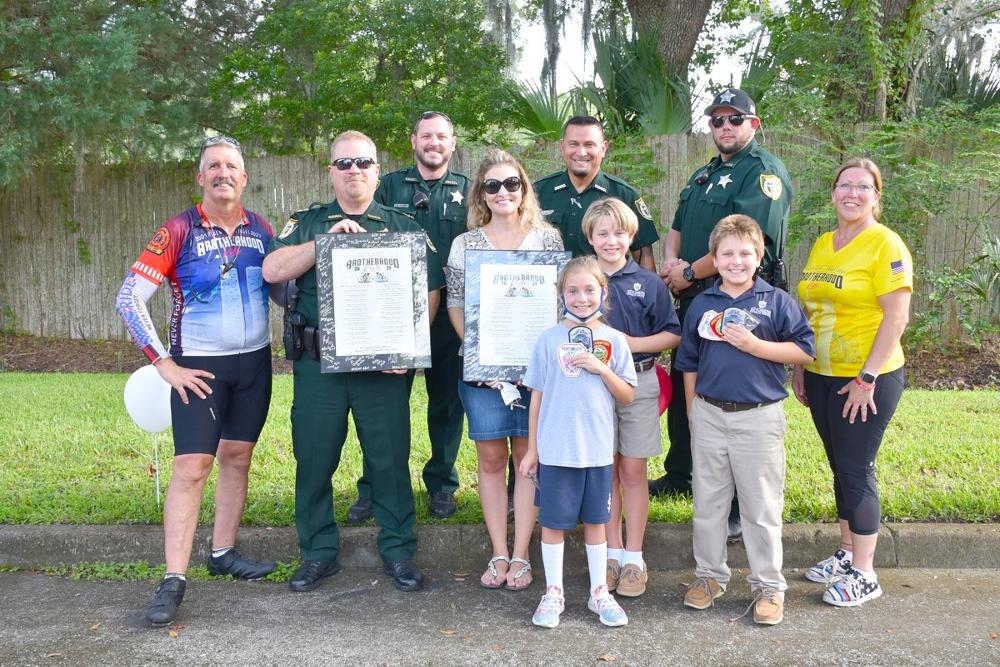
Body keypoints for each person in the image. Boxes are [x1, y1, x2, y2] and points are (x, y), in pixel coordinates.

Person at [261, 130, 444, 594]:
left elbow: (430, 289)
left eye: (363, 162)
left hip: (381, 369)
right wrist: (324, 243)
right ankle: (318, 553)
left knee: (388, 461)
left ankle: (399, 551)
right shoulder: (308, 222)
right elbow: (272, 270)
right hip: (319, 367)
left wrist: (409, 348)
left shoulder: (402, 225)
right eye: (344, 164)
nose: (354, 171)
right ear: (331, 172)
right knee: (315, 459)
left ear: (377, 170)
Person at [115, 135, 276, 626]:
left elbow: (284, 289)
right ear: (200, 177)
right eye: (214, 166)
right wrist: (163, 363)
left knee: (237, 456)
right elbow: (129, 297)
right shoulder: (179, 229)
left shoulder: (262, 229)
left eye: (232, 166)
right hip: (198, 369)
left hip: (254, 364)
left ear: (244, 178)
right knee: (190, 467)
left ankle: (223, 552)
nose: (223, 173)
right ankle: (173, 578)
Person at [655, 88, 793, 542]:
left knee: (731, 395)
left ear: (754, 125)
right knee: (686, 383)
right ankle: (682, 474)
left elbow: (750, 245)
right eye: (717, 120)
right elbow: (676, 227)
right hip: (697, 299)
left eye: (735, 119)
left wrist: (690, 270)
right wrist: (674, 267)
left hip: (741, 301)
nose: (725, 127)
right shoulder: (704, 174)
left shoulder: (762, 174)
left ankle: (736, 507)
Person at [674, 215, 814, 626]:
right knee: (708, 503)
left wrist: (756, 346)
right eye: (727, 254)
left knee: (760, 505)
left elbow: (804, 351)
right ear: (714, 259)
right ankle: (709, 576)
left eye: (745, 254)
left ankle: (768, 585)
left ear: (759, 257)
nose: (737, 261)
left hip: (758, 417)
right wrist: (693, 411)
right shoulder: (703, 304)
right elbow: (688, 364)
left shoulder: (776, 302)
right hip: (710, 413)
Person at [793, 158, 912, 607]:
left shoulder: (886, 244)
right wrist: (802, 365)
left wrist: (867, 377)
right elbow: (810, 309)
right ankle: (846, 553)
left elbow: (897, 316)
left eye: (864, 187)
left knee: (857, 468)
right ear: (833, 193)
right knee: (839, 464)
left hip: (866, 376)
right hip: (822, 373)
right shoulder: (825, 243)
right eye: (846, 185)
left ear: (876, 196)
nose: (853, 194)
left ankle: (865, 572)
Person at [446, 148, 563, 591]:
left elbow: (558, 306)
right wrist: (478, 350)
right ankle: (498, 551)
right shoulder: (466, 244)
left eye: (511, 183)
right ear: (480, 193)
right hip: (483, 372)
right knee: (492, 459)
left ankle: (522, 554)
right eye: (492, 185)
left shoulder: (547, 240)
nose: (502, 192)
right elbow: (455, 305)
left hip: (537, 373)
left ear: (524, 188)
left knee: (527, 459)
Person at [344, 111, 469, 522]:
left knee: (447, 405)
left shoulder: (469, 193)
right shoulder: (387, 186)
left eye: (442, 137)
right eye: (426, 136)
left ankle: (441, 485)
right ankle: (373, 485)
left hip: (448, 314)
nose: (434, 143)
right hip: (390, 316)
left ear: (453, 144)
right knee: (382, 405)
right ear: (413, 140)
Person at [520, 256, 638, 629]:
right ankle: (553, 591)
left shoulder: (615, 340)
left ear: (603, 293)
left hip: (597, 451)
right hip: (556, 450)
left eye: (589, 290)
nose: (581, 297)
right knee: (553, 522)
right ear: (561, 295)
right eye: (572, 290)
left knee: (596, 521)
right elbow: (536, 396)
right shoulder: (548, 338)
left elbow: (627, 395)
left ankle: (598, 591)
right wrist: (533, 450)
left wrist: (600, 366)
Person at [581, 198, 680, 598]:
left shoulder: (650, 283)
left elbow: (672, 333)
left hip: (639, 383)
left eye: (619, 233)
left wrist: (629, 343)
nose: (611, 240)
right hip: (591, 389)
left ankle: (635, 558)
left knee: (634, 470)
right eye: (602, 233)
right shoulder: (581, 281)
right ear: (589, 237)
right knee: (606, 470)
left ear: (631, 236)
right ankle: (611, 552)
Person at [534, 116, 659, 270]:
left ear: (604, 148)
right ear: (562, 147)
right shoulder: (537, 193)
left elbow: (644, 256)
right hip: (550, 289)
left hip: (607, 291)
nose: (581, 152)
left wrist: (650, 291)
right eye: (573, 144)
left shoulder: (625, 195)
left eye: (589, 145)